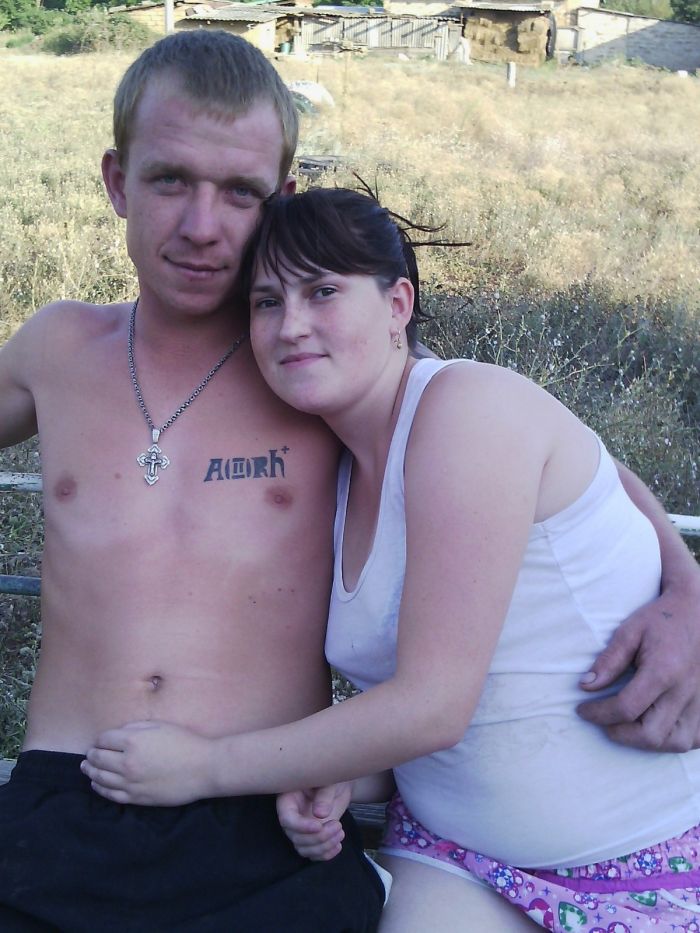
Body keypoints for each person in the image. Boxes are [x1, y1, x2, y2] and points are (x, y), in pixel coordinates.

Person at [83, 188, 700, 933]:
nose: (291, 325)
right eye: (267, 302)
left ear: (397, 303)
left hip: (642, 860)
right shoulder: (338, 470)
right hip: (455, 857)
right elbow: (469, 708)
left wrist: (206, 767)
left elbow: (434, 705)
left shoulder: (467, 410)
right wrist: (343, 771)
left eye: (323, 291)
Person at [0, 36, 386, 931]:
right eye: (170, 179)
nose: (203, 226)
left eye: (240, 191)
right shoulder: (58, 348)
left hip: (264, 812)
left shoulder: (319, 368)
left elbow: (518, 450)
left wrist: (682, 587)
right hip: (64, 804)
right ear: (117, 181)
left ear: (280, 197)